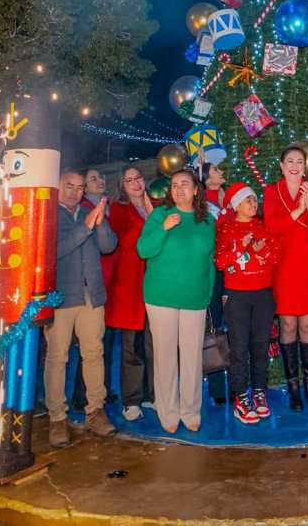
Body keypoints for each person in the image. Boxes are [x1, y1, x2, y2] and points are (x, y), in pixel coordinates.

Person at [136, 169, 215, 433]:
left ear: (196, 190)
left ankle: (191, 410)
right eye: (174, 185)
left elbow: (210, 262)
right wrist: (164, 228)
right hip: (161, 297)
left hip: (195, 298)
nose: (179, 189)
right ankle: (167, 411)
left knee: (193, 357)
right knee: (165, 355)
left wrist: (207, 294)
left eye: (185, 184)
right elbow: (144, 250)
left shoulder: (207, 221)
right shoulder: (159, 215)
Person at [45, 170, 117, 448]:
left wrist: (99, 222)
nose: (75, 192)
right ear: (58, 187)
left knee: (93, 353)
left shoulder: (90, 211)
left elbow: (109, 246)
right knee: (57, 356)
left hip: (92, 295)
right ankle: (57, 418)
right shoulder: (49, 215)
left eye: (79, 187)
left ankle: (95, 411)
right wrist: (86, 226)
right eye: (69, 186)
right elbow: (54, 251)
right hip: (62, 297)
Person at [263, 145, 308, 410]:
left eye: (299, 161)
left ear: (305, 165)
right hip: (285, 268)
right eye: (289, 160)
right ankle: (293, 388)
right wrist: (298, 211)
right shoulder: (271, 191)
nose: (294, 165)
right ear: (281, 165)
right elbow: (271, 227)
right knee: (288, 325)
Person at [215, 183, 279, 424]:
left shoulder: (262, 226)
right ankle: (241, 397)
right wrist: (241, 247)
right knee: (239, 349)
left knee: (260, 346)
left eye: (254, 200)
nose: (253, 204)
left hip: (262, 295)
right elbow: (221, 262)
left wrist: (262, 252)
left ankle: (260, 392)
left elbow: (276, 256)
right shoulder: (227, 229)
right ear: (236, 206)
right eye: (248, 201)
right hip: (237, 296)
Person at [105, 166, 154, 421]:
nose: (135, 182)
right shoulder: (119, 210)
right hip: (129, 286)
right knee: (132, 346)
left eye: (138, 177)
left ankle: (153, 395)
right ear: (122, 186)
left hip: (156, 284)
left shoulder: (156, 203)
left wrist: (153, 212)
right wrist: (151, 222)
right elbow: (123, 242)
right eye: (129, 180)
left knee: (155, 343)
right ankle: (132, 399)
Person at [196, 160, 229, 404]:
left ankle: (240, 382)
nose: (222, 171)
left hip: (234, 269)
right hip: (213, 273)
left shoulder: (228, 197)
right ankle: (217, 388)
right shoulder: (203, 204)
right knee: (213, 327)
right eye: (216, 170)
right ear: (206, 179)